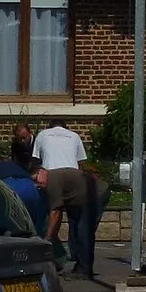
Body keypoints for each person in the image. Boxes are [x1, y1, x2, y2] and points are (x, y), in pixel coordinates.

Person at [33, 116, 91, 276]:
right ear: (65, 126)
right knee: (75, 221)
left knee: (50, 218)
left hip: (51, 177)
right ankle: (75, 255)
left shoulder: (42, 135)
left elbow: (36, 161)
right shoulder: (74, 136)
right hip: (72, 180)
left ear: (50, 125)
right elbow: (81, 163)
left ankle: (54, 254)